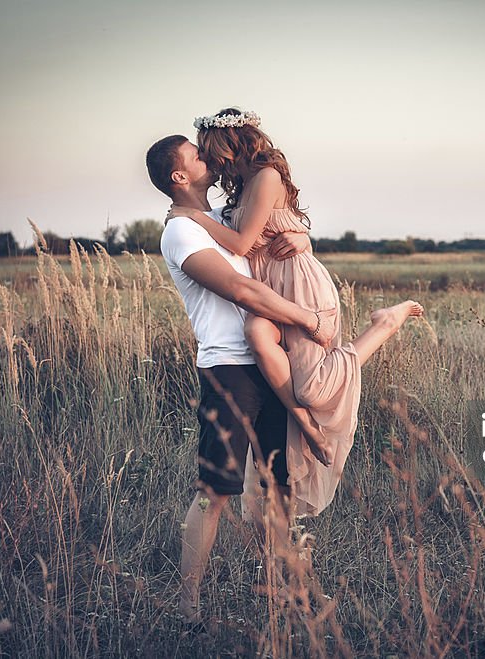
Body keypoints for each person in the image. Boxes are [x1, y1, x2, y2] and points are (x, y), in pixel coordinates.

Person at [168, 108, 423, 518]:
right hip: (274, 292)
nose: (210, 161)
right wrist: (298, 234)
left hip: (300, 289)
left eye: (210, 152)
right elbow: (248, 236)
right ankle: (301, 433)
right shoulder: (241, 190)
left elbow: (240, 242)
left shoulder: (264, 177)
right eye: (201, 156)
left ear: (232, 145)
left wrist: (195, 215)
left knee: (312, 390)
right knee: (265, 345)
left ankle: (384, 325)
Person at [147, 134, 332, 621]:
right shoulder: (181, 232)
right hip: (229, 369)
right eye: (196, 155)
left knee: (277, 484)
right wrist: (308, 319)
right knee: (216, 490)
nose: (208, 158)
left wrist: (303, 238)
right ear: (179, 177)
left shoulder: (220, 222)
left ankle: (280, 588)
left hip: (268, 359)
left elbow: (262, 244)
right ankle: (187, 605)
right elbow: (242, 289)